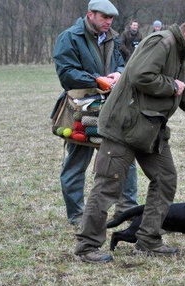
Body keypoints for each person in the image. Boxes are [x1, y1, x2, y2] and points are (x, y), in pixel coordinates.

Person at [74, 14, 185, 263]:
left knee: (165, 178)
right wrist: (171, 86)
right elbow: (139, 75)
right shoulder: (162, 42)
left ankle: (148, 239)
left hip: (149, 130)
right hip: (124, 128)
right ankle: (87, 247)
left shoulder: (178, 55)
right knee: (107, 187)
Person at [53, 0, 138, 226]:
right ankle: (77, 215)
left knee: (124, 158)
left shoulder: (113, 37)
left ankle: (127, 210)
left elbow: (122, 63)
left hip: (111, 107)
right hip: (82, 109)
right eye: (104, 17)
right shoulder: (69, 37)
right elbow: (66, 73)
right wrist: (97, 80)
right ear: (90, 15)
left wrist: (119, 74)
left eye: (111, 19)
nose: (108, 22)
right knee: (77, 162)